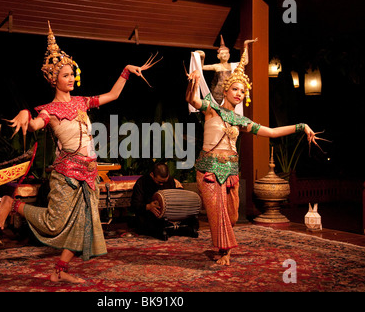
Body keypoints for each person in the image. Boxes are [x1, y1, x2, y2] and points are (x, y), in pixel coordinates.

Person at [0, 21, 160, 283]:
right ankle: (13, 204)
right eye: (65, 75)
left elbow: (113, 95)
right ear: (53, 79)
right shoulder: (49, 111)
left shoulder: (82, 102)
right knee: (54, 222)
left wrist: (126, 71)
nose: (71, 78)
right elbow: (37, 124)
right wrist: (26, 114)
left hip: (89, 173)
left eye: (72, 74)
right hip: (66, 174)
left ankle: (59, 271)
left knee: (83, 224)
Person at [186, 43, 327, 266]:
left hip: (231, 171)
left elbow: (271, 132)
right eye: (235, 89)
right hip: (209, 169)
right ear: (226, 90)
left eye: (243, 92)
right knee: (218, 211)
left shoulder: (242, 121)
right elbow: (192, 100)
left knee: (231, 216)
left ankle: (224, 247)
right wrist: (193, 81)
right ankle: (225, 252)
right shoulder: (211, 108)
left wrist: (301, 126)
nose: (240, 94)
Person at [196, 36, 257, 106]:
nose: (225, 55)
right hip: (218, 93)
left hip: (230, 92)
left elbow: (245, 61)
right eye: (222, 54)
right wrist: (202, 58)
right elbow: (201, 67)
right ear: (218, 56)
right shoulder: (217, 66)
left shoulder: (233, 66)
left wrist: (245, 45)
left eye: (226, 53)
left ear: (229, 55)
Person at [130, 162, 183, 239]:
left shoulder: (170, 180)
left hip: (168, 216)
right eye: (159, 182)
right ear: (152, 175)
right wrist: (148, 206)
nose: (161, 184)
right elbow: (134, 205)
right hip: (148, 217)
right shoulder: (142, 182)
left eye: (164, 182)